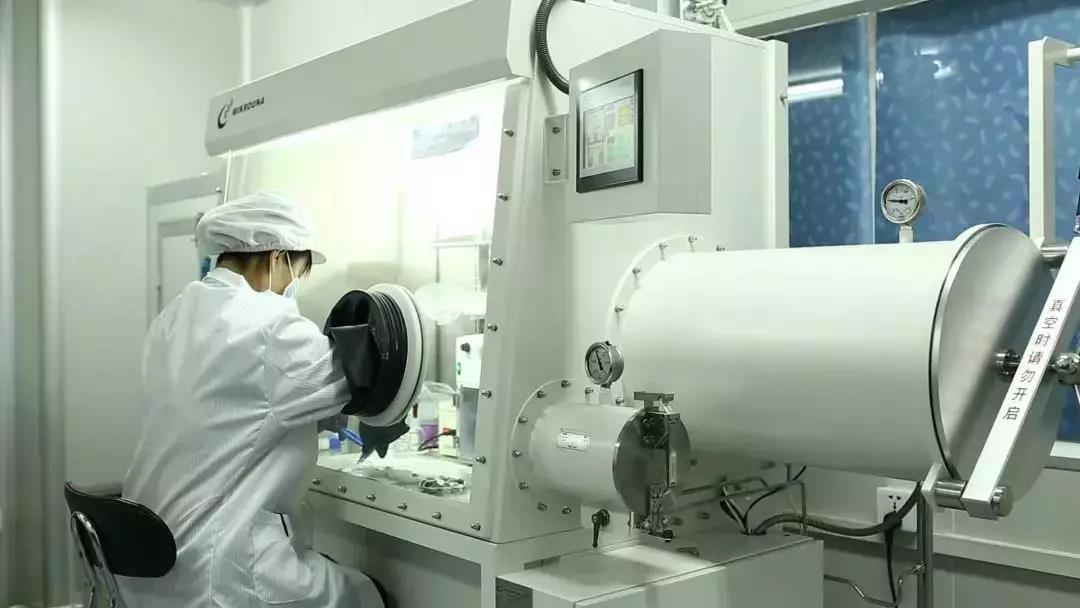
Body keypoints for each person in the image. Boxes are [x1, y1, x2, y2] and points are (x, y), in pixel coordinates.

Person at [121, 191, 385, 607]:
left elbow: (229, 406)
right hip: (217, 575)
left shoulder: (172, 316)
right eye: (296, 275)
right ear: (277, 258)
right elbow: (358, 378)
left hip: (147, 572)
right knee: (366, 596)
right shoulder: (269, 324)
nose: (291, 288)